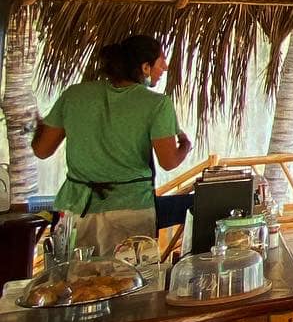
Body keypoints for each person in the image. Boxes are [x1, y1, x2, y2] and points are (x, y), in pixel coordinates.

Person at [31, 34, 192, 255]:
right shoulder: (156, 104)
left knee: (72, 284)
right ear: (145, 67)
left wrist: (38, 123)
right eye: (161, 60)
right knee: (128, 283)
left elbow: (41, 150)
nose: (164, 67)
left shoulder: (74, 95)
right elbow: (169, 161)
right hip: (129, 212)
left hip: (75, 210)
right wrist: (185, 145)